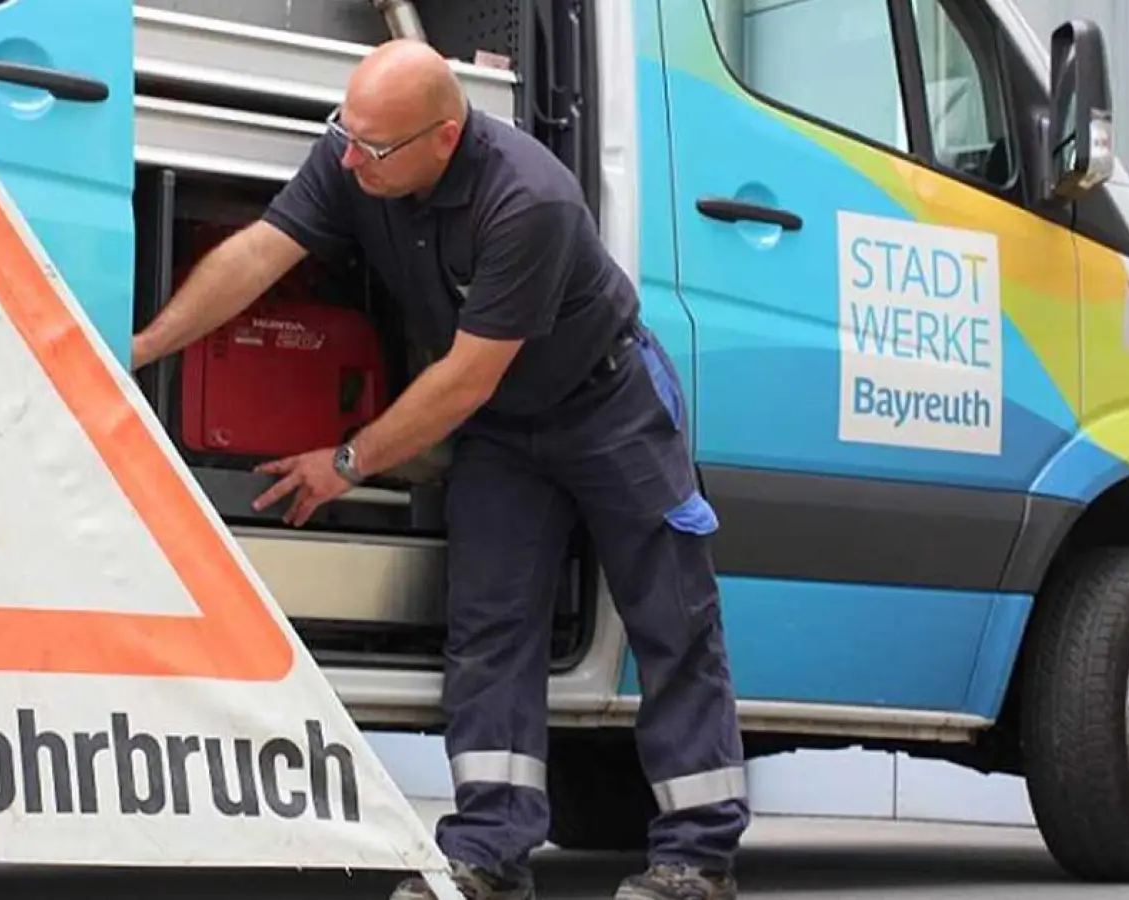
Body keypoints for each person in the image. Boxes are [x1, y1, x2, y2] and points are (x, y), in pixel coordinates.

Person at [130, 38, 750, 900]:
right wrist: (139, 348)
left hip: (608, 406)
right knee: (491, 627)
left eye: (373, 147)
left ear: (445, 138)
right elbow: (259, 253)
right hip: (504, 427)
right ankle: (490, 855)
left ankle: (697, 857)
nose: (350, 158)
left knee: (672, 620)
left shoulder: (529, 199)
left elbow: (464, 376)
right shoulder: (358, 154)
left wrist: (347, 462)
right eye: (345, 134)